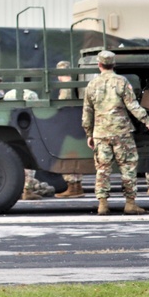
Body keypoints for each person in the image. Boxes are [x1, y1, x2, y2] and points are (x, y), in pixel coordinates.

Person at [81, 50, 149, 215]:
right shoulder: (121, 82)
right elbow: (133, 106)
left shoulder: (92, 85)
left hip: (100, 133)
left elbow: (87, 112)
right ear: (114, 64)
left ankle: (102, 204)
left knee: (103, 169)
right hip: (121, 133)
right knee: (128, 167)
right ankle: (130, 204)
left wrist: (89, 134)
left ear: (99, 65)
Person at [54, 60, 84, 198]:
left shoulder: (66, 86)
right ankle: (77, 186)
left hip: (67, 126)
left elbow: (63, 106)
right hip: (76, 125)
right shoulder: (76, 83)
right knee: (75, 156)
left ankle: (72, 187)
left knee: (67, 157)